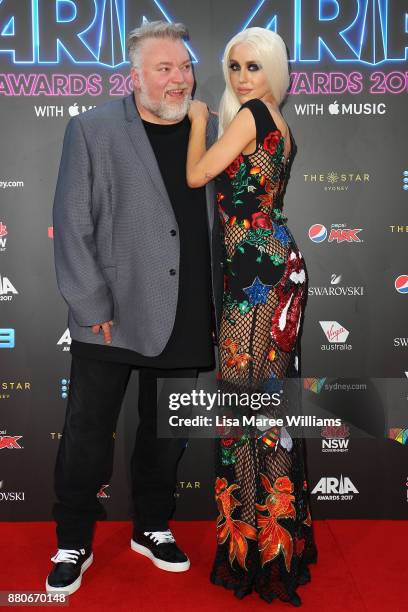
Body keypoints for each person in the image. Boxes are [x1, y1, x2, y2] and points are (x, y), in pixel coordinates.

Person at [47, 21, 222, 595]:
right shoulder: (93, 129)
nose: (179, 79)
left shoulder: (211, 128)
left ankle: (152, 526)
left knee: (166, 434)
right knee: (88, 433)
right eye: (165, 68)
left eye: (185, 67)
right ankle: (72, 538)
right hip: (112, 313)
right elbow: (73, 222)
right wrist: (90, 301)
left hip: (187, 308)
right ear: (136, 76)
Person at [186, 28, 317, 606]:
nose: (241, 78)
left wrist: (197, 123)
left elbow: (196, 175)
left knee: (245, 403)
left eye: (254, 67)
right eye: (234, 67)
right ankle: (276, 540)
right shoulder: (280, 125)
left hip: (256, 278)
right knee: (267, 403)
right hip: (272, 265)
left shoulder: (250, 117)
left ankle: (254, 551)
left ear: (274, 72)